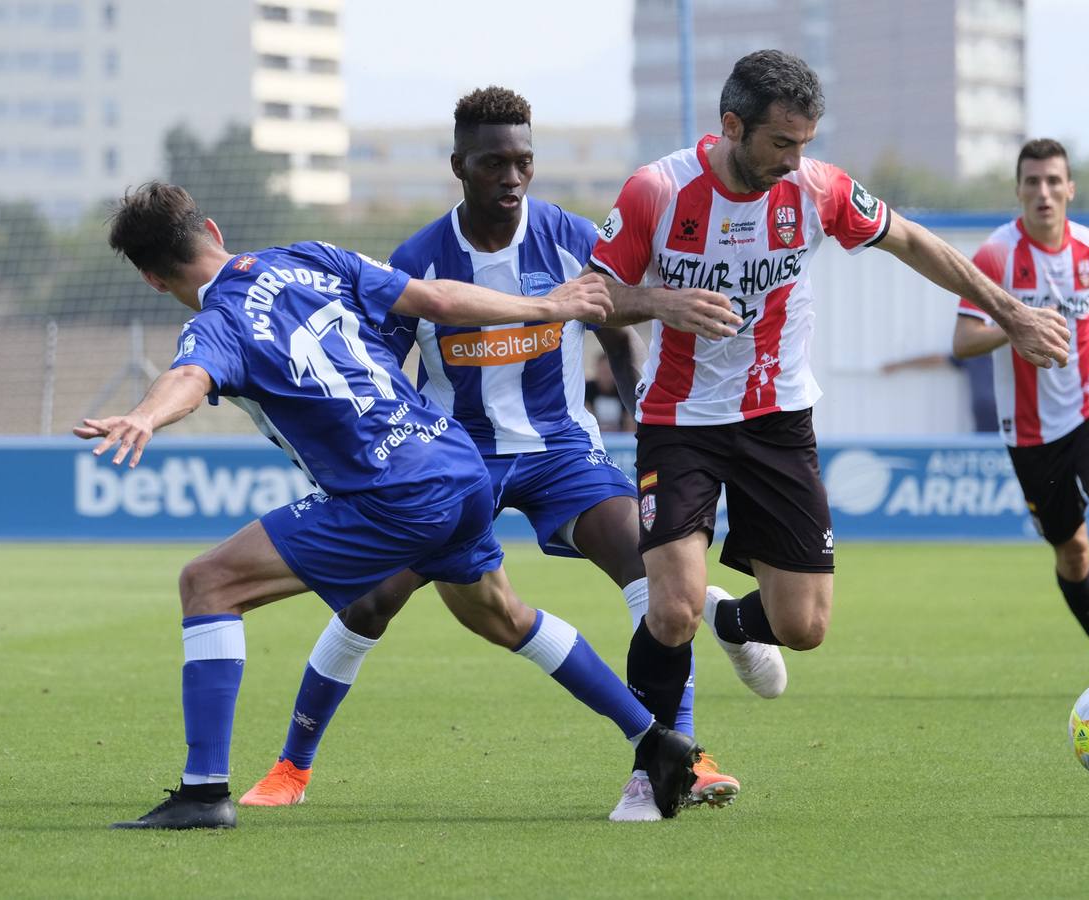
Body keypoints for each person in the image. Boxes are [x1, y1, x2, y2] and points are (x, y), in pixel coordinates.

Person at [82, 182, 702, 830]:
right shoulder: (308, 256)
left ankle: (204, 793)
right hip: (458, 462)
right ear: (211, 228)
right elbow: (434, 297)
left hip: (392, 492)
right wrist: (543, 304)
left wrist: (144, 416)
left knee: (207, 583)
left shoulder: (214, 325)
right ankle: (653, 737)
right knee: (502, 615)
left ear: (153, 279)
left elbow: (188, 377)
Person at [236, 87, 742, 823]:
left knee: (652, 574)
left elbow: (612, 314)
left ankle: (682, 757)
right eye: (494, 163)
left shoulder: (567, 234)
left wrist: (635, 394)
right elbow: (382, 372)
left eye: (523, 162)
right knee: (373, 599)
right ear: (459, 167)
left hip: (560, 449)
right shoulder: (419, 259)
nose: (512, 177)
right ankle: (291, 766)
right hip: (455, 457)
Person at [582, 49, 1071, 758]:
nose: (793, 159)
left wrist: (1012, 312)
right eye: (780, 142)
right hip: (680, 421)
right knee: (671, 607)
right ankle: (654, 768)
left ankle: (735, 626)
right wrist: (660, 300)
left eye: (804, 143)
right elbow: (594, 295)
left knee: (804, 626)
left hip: (778, 419)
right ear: (731, 125)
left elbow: (911, 240)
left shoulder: (816, 189)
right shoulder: (654, 191)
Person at [952, 138, 1089, 679]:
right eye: (1033, 182)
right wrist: (1016, 322)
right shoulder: (996, 255)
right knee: (1072, 553)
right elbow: (962, 341)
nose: (1044, 193)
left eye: (1054, 181)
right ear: (1019, 190)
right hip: (1029, 430)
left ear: (1070, 188)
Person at [879, 351, 996, 433]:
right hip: (984, 434)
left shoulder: (1009, 356)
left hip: (1010, 430)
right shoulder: (973, 356)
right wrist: (900, 365)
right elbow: (936, 359)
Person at [587, 352, 636, 433]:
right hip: (595, 434)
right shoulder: (589, 389)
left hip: (620, 437)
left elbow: (630, 419)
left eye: (608, 371)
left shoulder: (624, 389)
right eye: (602, 371)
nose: (605, 375)